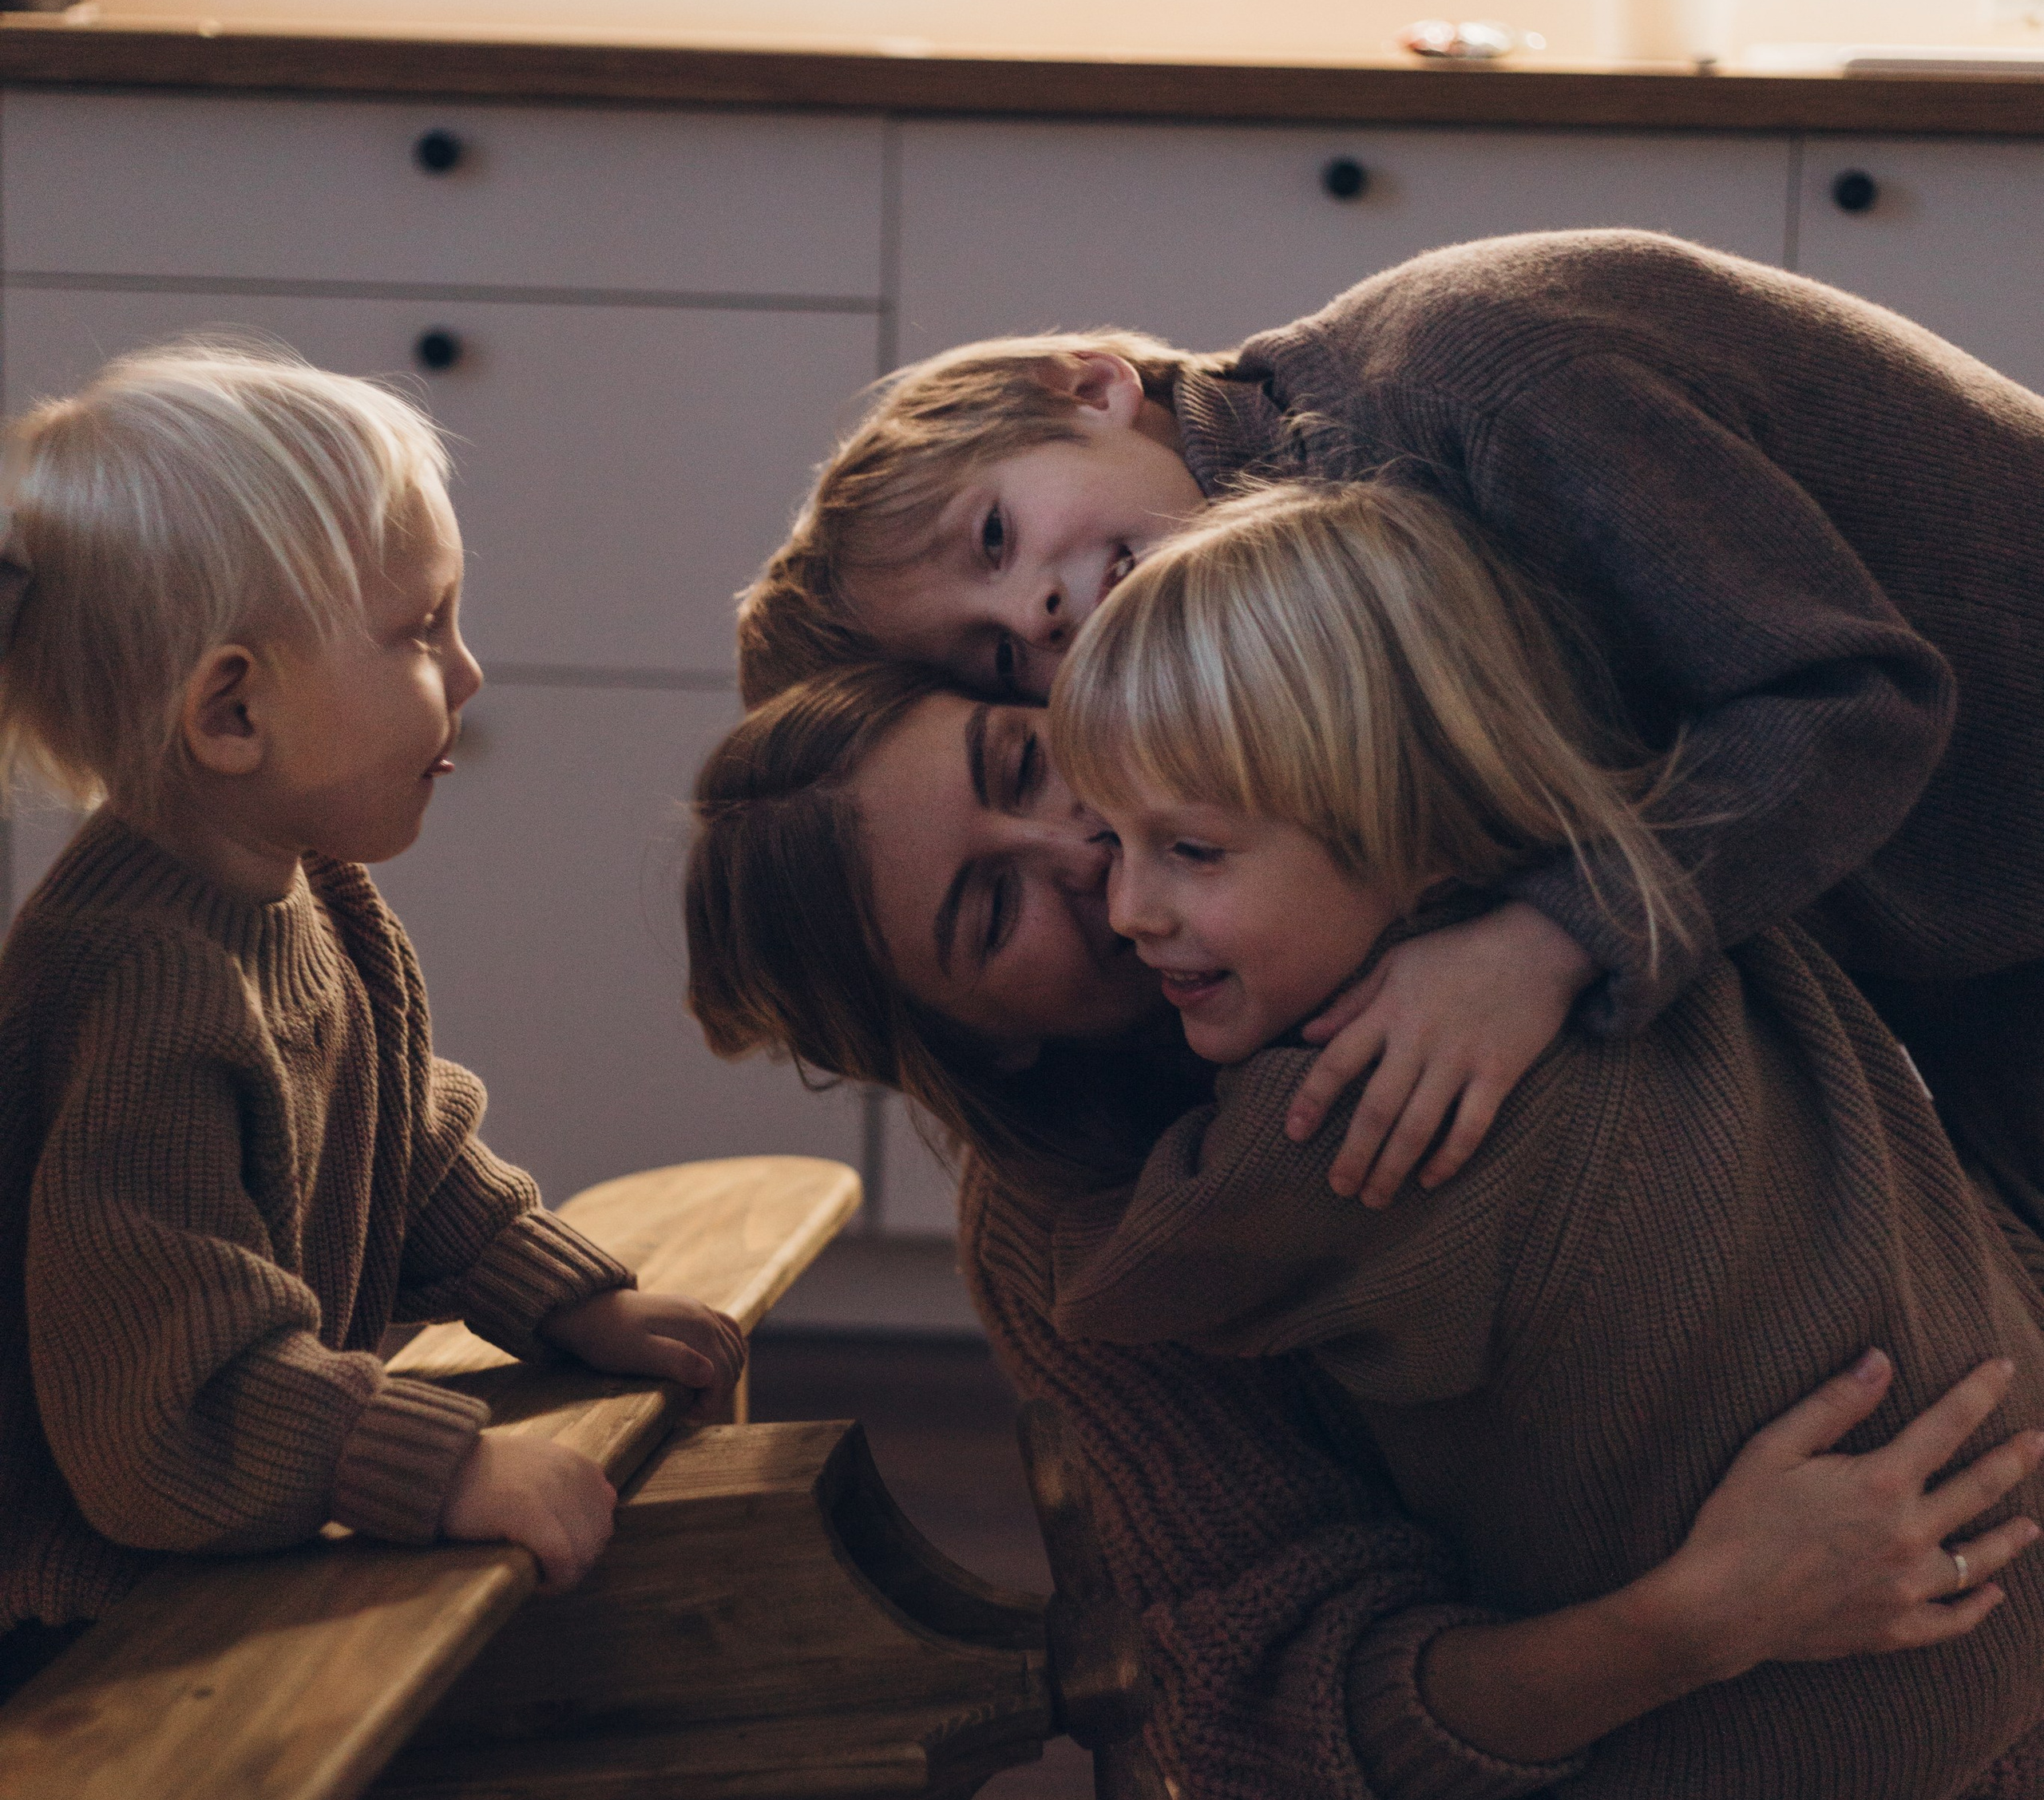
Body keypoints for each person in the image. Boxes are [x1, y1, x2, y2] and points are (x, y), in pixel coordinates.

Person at [683, 656, 2036, 1800]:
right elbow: (1285, 1685)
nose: (1082, 856)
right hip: (1555, 1688)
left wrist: (1539, 943)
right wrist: (1701, 1617)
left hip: (1863, 1586)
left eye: (1026, 764)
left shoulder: (1389, 806)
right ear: (976, 1035)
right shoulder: (1076, 1245)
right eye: (989, 909)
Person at [1041, 471, 2044, 1800]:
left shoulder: (1339, 1123)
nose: (1125, 909)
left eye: (1191, 852)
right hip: (2003, 1514)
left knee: (1560, 1713)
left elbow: (1115, 1286)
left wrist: (1049, 1161)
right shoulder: (1651, 909)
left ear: (1404, 836)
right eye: (1110, 843)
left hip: (1855, 1675)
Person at [0, 345, 746, 1800]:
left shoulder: (307, 901)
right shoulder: (139, 984)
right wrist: (432, 1462)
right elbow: (164, 1403)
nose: (468, 676)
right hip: (80, 1612)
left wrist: (564, 1295)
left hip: (195, 1545)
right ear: (230, 713)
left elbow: (398, 1147)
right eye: (420, 633)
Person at [732, 230, 2044, 1232]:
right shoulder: (1284, 605)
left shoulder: (1472, 385)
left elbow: (1859, 703)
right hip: (1949, 916)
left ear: (1087, 386)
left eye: (994, 534)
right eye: (997, 655)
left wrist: (1544, 940)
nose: (1039, 609)